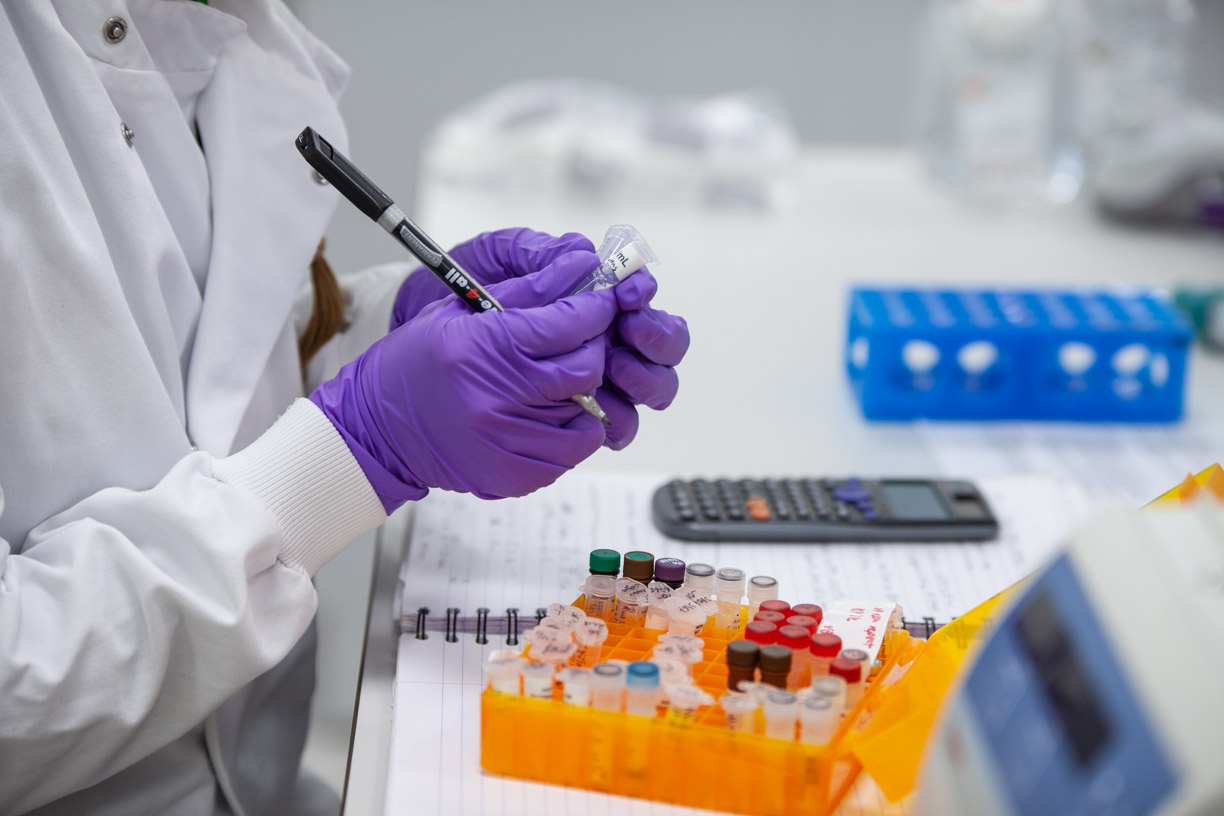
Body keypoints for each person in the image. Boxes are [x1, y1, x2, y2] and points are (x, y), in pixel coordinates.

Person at [0, 1, 690, 814]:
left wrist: (389, 334)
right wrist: (358, 444)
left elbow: (181, 364)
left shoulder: (198, 24)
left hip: (269, 786)